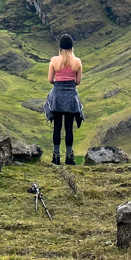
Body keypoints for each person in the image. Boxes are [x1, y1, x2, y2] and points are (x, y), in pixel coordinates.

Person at [43, 34, 84, 165]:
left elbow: (50, 80)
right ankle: (69, 157)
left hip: (57, 97)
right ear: (72, 47)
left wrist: (59, 81)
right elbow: (77, 82)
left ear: (60, 47)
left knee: (57, 127)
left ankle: (55, 157)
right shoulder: (77, 61)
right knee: (69, 128)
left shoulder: (54, 60)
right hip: (71, 97)